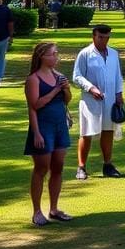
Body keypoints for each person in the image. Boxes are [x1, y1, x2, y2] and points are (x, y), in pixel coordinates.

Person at [24, 42, 73, 226]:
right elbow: (34, 106)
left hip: (60, 127)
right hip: (43, 128)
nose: (56, 57)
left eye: (56, 54)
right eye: (52, 54)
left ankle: (54, 208)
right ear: (42, 57)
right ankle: (37, 211)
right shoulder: (33, 79)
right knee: (41, 168)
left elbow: (67, 101)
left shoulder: (59, 76)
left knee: (58, 167)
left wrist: (66, 89)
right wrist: (36, 133)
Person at [72, 24, 124, 179]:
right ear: (93, 36)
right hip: (90, 100)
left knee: (108, 131)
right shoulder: (85, 54)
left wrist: (119, 93)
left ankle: (108, 165)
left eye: (107, 37)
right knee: (87, 133)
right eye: (101, 37)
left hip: (110, 99)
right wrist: (90, 88)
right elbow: (77, 76)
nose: (104, 40)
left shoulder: (114, 54)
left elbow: (117, 75)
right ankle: (81, 167)